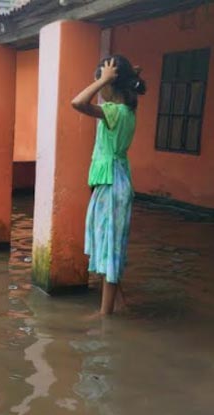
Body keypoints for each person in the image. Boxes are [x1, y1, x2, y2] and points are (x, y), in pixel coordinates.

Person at [71, 56, 146, 315]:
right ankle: (120, 304)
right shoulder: (127, 110)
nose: (100, 88)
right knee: (109, 244)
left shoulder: (114, 112)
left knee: (110, 246)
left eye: (102, 84)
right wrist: (120, 76)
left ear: (112, 85)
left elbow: (78, 103)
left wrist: (104, 79)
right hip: (114, 181)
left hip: (113, 183)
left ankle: (105, 316)